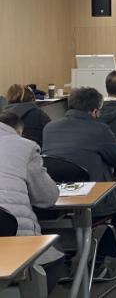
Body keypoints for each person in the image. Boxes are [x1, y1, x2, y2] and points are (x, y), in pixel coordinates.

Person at [42, 87, 116, 279]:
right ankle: (100, 261)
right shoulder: (99, 129)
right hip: (92, 203)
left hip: (55, 201)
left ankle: (66, 260)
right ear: (94, 111)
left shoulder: (49, 128)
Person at [0, 112, 65, 294]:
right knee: (52, 256)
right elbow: (47, 197)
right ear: (18, 131)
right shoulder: (25, 146)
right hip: (11, 231)